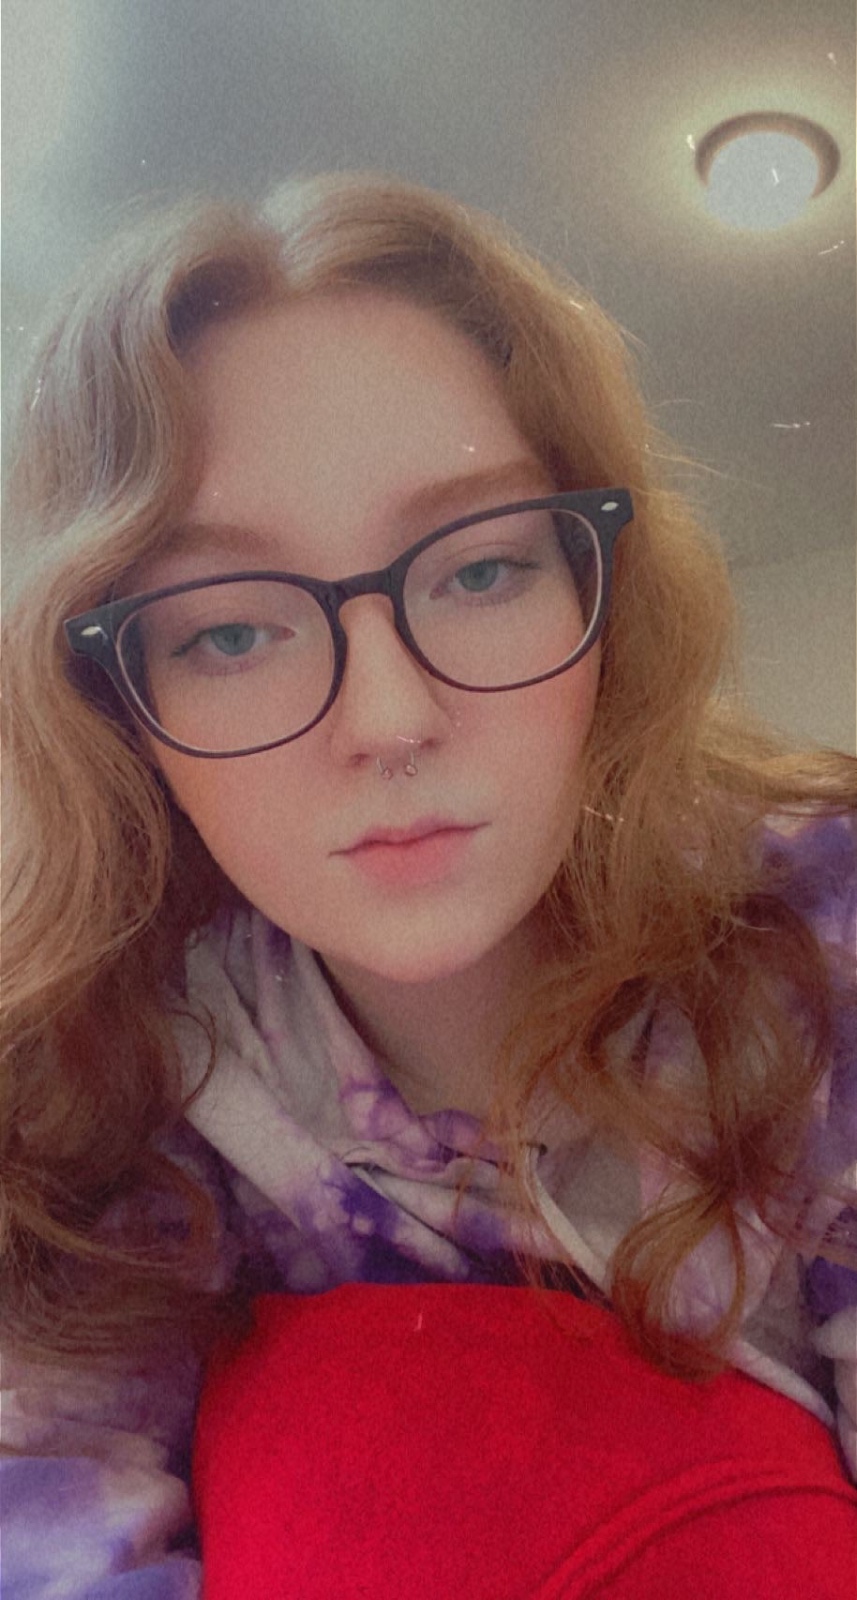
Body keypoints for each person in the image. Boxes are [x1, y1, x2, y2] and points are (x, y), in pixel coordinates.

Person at [1, 171, 855, 1599]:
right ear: (116, 710)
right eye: (227, 633)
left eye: (479, 572)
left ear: (604, 590)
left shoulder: (823, 943)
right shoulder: (103, 1080)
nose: (389, 720)